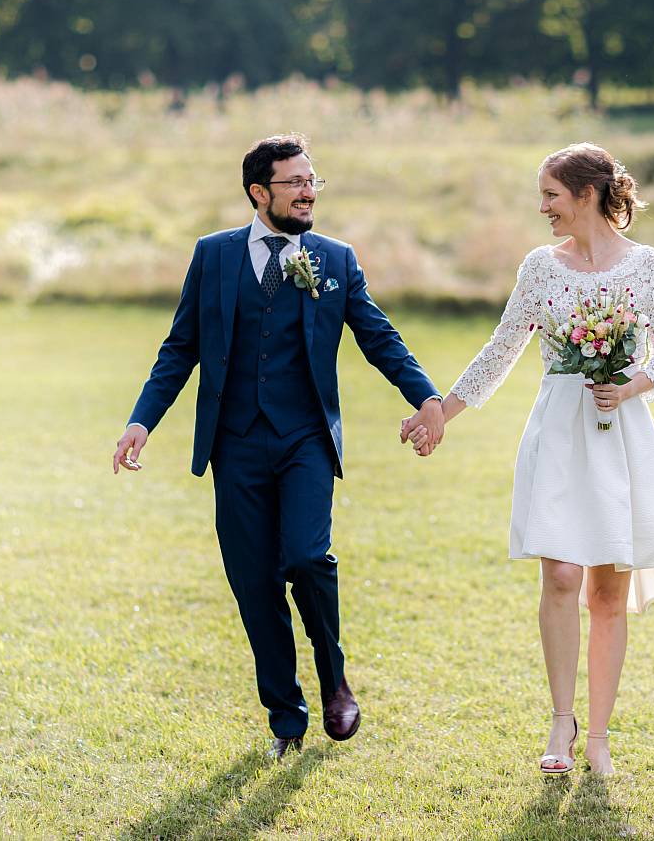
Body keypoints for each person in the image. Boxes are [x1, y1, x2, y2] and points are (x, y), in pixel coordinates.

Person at [115, 133, 445, 759]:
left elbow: (378, 336)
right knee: (253, 580)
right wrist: (142, 421)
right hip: (234, 445)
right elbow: (180, 347)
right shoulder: (212, 257)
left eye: (311, 180)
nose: (308, 191)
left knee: (306, 557)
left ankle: (334, 675)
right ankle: (285, 718)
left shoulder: (335, 259)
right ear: (258, 192)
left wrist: (425, 397)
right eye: (294, 182)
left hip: (304, 441)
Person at [405, 142, 654, 776]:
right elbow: (502, 349)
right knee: (562, 576)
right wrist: (440, 412)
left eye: (550, 195)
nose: (542, 207)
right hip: (559, 431)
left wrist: (630, 386)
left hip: (620, 431)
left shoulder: (648, 266)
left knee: (608, 591)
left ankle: (599, 736)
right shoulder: (541, 268)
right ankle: (560, 725)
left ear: (587, 195)